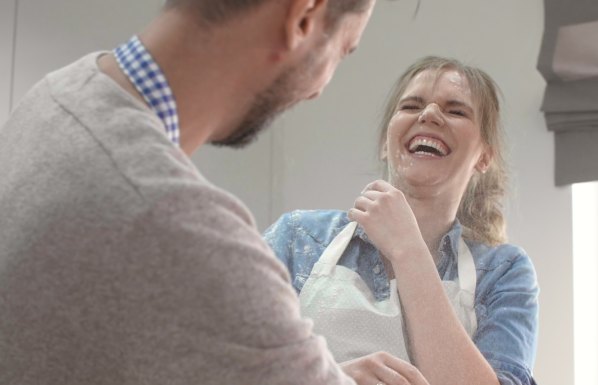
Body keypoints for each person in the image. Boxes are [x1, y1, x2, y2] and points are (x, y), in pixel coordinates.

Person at [0, 1, 432, 384]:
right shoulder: (185, 230)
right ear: (303, 17)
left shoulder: (59, 93)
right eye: (342, 50)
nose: (320, 90)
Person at [265, 56, 540, 385]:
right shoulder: (298, 238)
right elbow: (212, 361)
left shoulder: (503, 271)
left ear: (483, 157)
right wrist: (326, 379)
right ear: (385, 143)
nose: (429, 115)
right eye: (412, 106)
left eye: (456, 110)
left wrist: (409, 251)